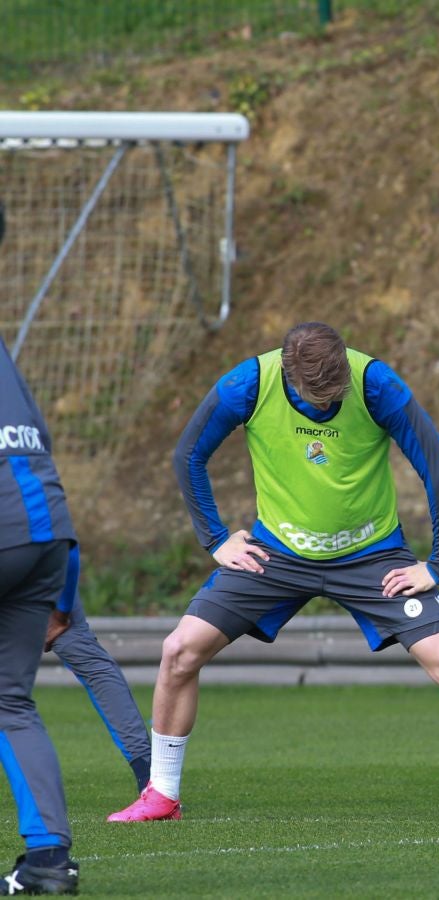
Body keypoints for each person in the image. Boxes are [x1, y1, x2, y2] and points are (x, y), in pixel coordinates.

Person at [107, 322, 439, 824]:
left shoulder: (376, 384)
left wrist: (438, 564)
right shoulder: (248, 385)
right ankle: (162, 794)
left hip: (372, 555)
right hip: (276, 554)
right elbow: (188, 454)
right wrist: (215, 538)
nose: (324, 406)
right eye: (313, 398)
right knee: (178, 651)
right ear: (289, 374)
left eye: (332, 396)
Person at [0, 201, 82, 894]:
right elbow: (40, 443)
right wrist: (68, 586)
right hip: (46, 535)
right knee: (9, 703)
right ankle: (49, 860)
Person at [45, 546, 152, 795]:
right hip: (41, 559)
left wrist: (61, 614)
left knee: (92, 666)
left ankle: (150, 778)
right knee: (94, 667)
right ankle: (151, 780)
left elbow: (66, 546)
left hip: (36, 562)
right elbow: (66, 544)